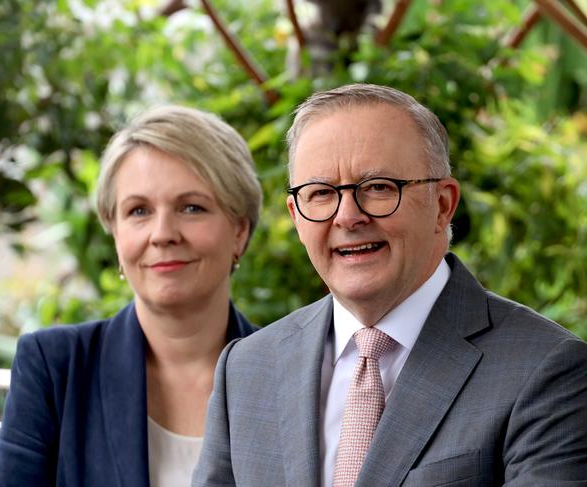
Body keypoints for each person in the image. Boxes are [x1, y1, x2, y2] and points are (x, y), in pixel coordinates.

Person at [192, 84, 587, 486]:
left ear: (442, 204)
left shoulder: (545, 370)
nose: (348, 217)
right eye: (321, 194)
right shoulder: (247, 369)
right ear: (296, 216)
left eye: (379, 188)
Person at [0, 105, 262, 487]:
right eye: (139, 211)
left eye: (191, 207)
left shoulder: (290, 375)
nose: (163, 233)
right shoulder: (55, 369)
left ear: (239, 230)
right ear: (115, 233)